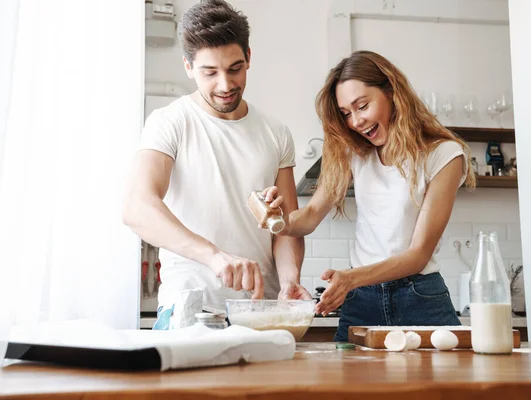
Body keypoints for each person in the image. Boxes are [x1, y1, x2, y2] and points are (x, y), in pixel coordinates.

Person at [263, 50, 476, 341]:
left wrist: (351, 278)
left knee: (443, 385)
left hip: (420, 296)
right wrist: (276, 218)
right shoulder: (354, 153)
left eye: (362, 106)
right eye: (346, 114)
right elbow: (310, 217)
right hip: (360, 301)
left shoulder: (444, 155)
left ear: (392, 92)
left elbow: (418, 254)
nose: (356, 122)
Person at [122, 0, 311, 329]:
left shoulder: (276, 133)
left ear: (249, 58)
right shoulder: (169, 122)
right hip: (188, 312)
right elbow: (136, 207)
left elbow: (286, 229)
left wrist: (288, 280)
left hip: (259, 315)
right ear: (188, 67)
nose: (225, 85)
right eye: (210, 72)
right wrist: (213, 255)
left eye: (235, 68)